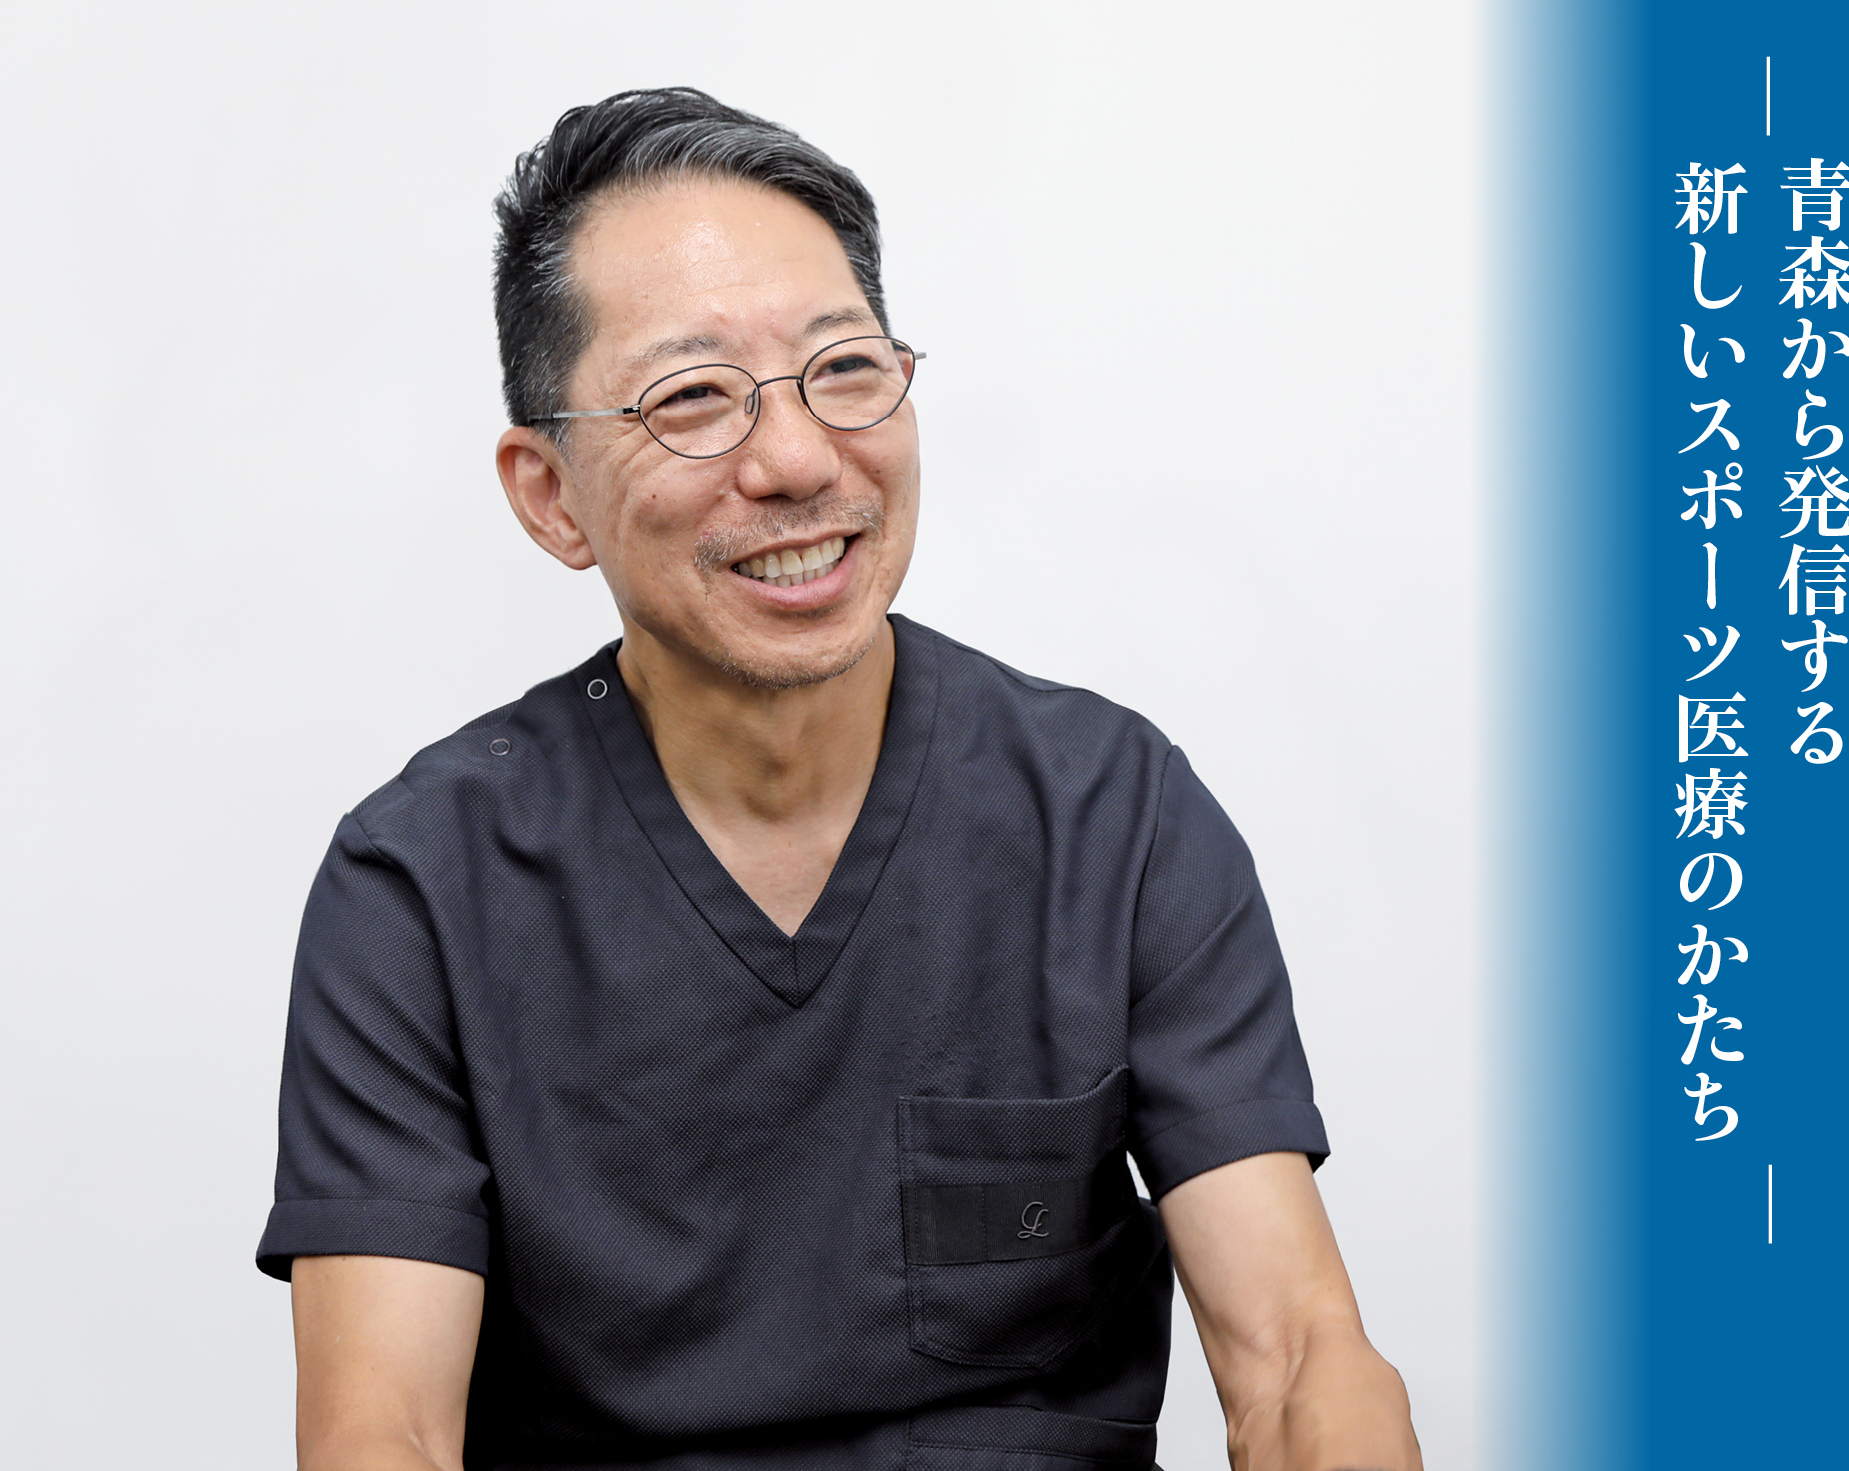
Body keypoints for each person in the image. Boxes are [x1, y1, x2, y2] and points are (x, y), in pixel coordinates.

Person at [257, 87, 1419, 1471]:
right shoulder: (421, 887)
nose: (799, 460)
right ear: (550, 495)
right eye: (693, 398)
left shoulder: (1113, 814)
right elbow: (381, 1430)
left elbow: (1297, 1355)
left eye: (845, 370)